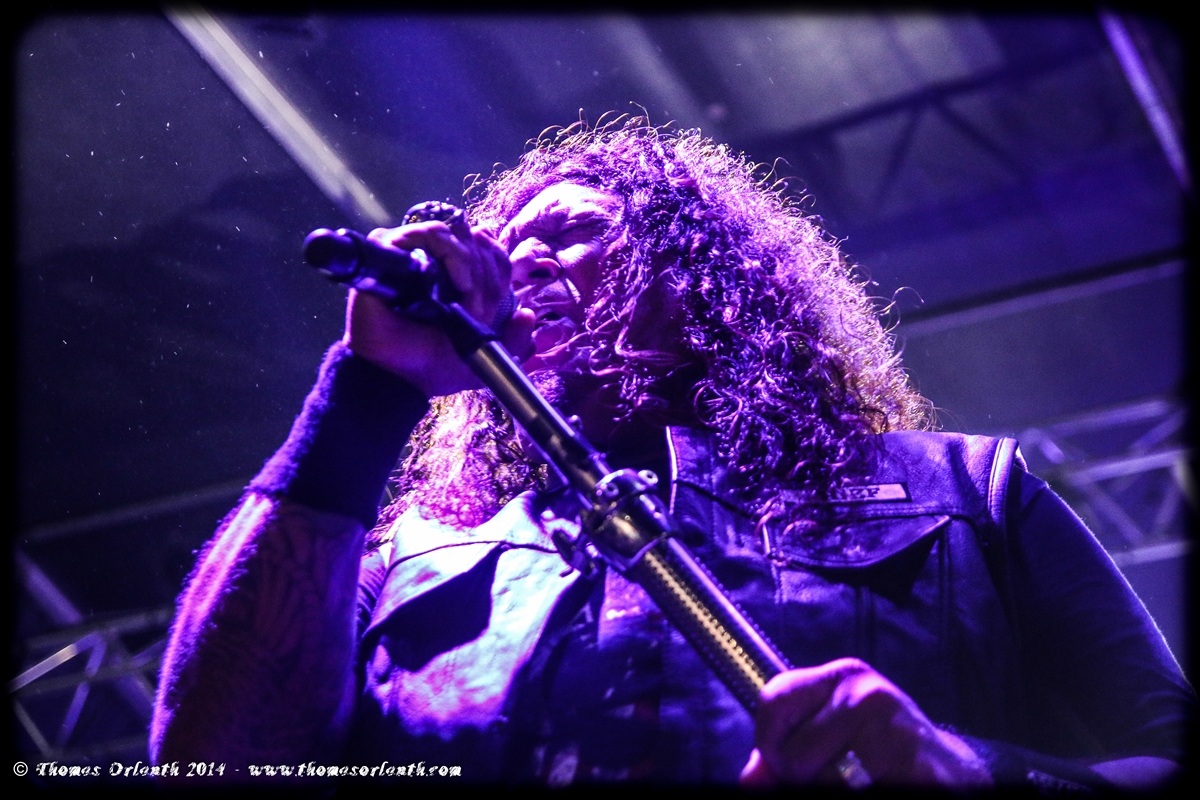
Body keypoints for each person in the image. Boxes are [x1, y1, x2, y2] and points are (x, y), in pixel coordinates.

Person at [149, 116, 1192, 788]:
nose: (523, 261)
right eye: (508, 246)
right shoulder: (408, 561)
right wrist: (370, 390)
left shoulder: (963, 492)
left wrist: (955, 764)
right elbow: (207, 765)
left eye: (568, 232)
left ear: (701, 270)